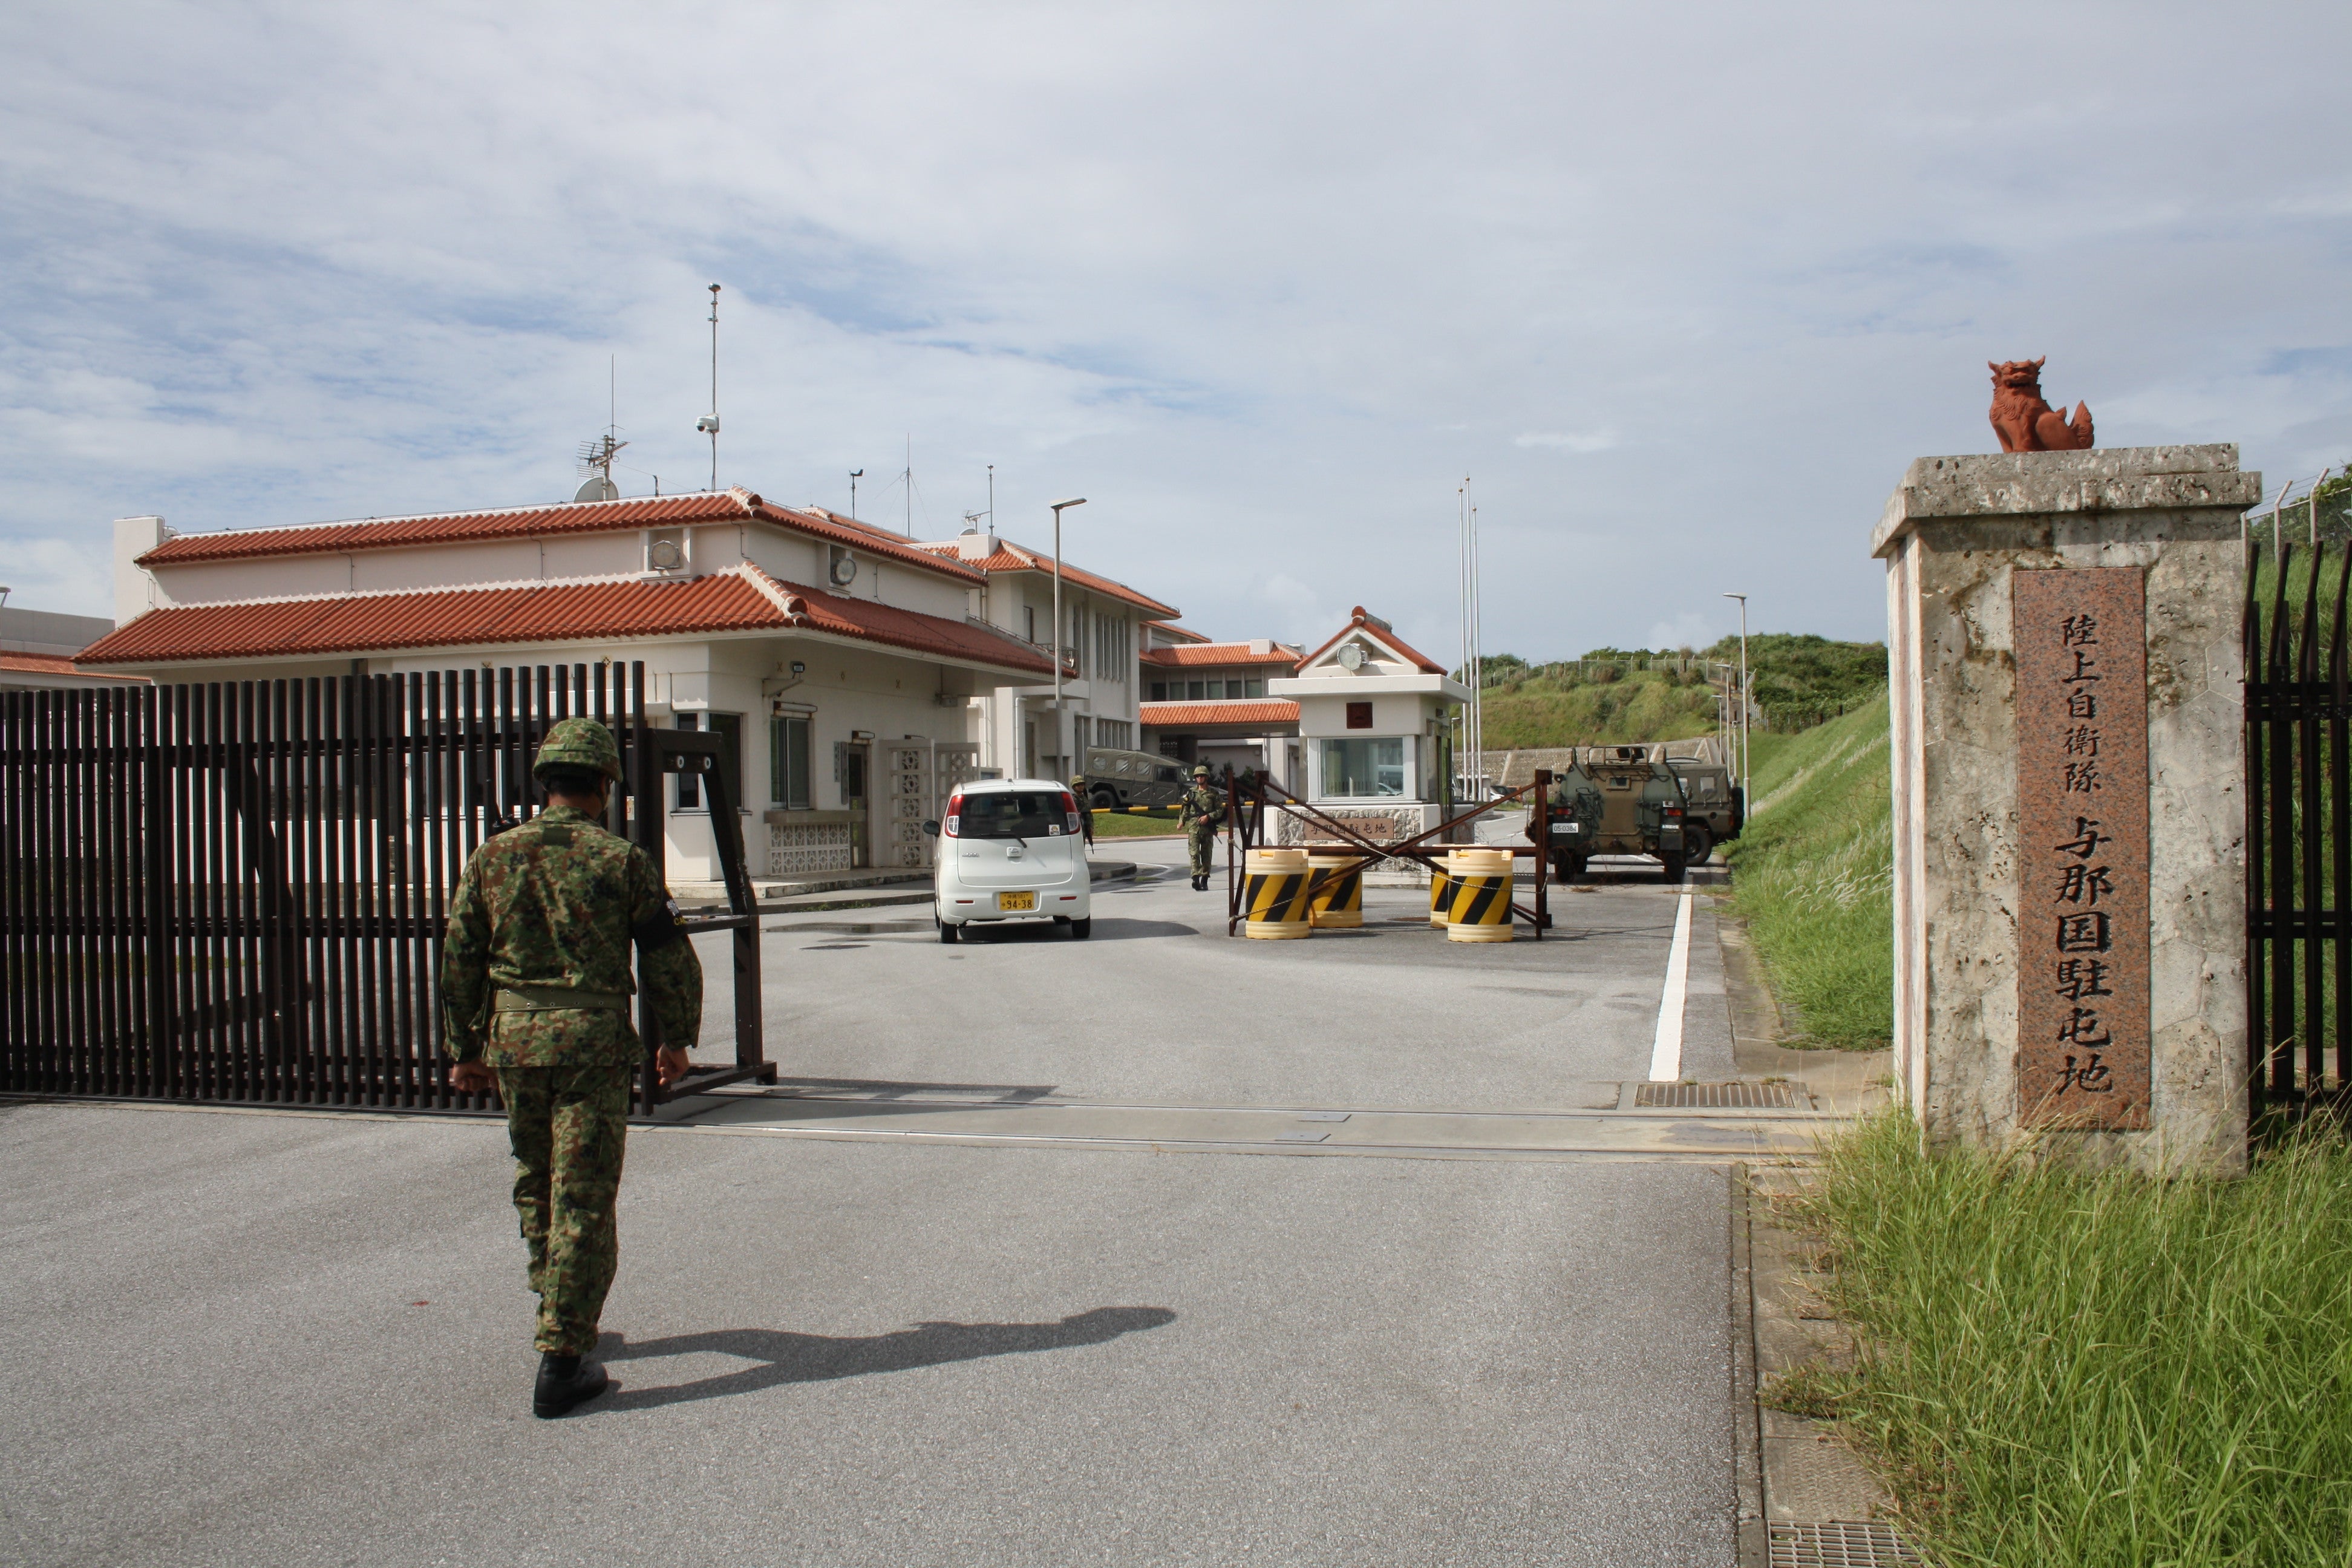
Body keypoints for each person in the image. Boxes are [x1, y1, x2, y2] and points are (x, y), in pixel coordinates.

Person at [443, 717, 704, 1419]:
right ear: (604, 785)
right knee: (584, 1193)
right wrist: (677, 1037)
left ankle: (557, 1301)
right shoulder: (620, 860)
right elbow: (666, 953)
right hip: (592, 1042)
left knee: (538, 1179)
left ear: (546, 782)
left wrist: (465, 1048)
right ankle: (562, 1359)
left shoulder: (493, 856)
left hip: (517, 1042)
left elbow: (461, 954)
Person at [1178, 763, 1224, 890]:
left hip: (1208, 828)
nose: (1199, 778)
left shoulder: (1213, 793)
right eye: (1197, 776)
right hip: (1194, 826)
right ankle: (1195, 878)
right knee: (1194, 853)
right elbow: (1185, 808)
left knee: (1207, 854)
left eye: (1201, 776)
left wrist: (1208, 817)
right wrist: (1182, 821)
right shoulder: (1191, 793)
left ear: (1206, 777)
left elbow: (1220, 810)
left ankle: (1204, 879)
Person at [1070, 775, 1096, 848]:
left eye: (1082, 784)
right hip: (1077, 827)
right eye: (1078, 785)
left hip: (1085, 826)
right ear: (1074, 787)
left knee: (1082, 846)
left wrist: (1091, 827)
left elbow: (1089, 814)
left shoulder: (1084, 798)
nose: (1081, 786)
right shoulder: (1072, 799)